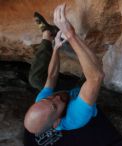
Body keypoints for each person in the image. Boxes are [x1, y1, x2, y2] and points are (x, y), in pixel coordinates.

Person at [24, 4, 104, 134]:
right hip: (80, 94)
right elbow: (96, 77)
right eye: (54, 106)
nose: (55, 97)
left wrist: (56, 48)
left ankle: (47, 34)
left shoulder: (43, 104)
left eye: (47, 98)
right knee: (96, 68)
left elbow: (51, 77)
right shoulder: (76, 117)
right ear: (56, 122)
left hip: (68, 93)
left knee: (35, 80)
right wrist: (71, 35)